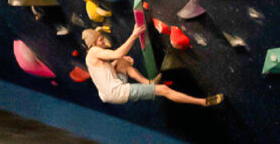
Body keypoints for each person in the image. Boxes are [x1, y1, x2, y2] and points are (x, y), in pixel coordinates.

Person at [83, 26, 222, 107]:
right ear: (93, 43)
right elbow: (117, 52)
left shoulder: (91, 56)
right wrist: (134, 35)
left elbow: (109, 67)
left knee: (122, 62)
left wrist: (120, 60)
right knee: (164, 90)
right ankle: (203, 102)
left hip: (108, 93)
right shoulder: (95, 51)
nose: (103, 41)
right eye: (100, 40)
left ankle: (148, 82)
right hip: (117, 92)